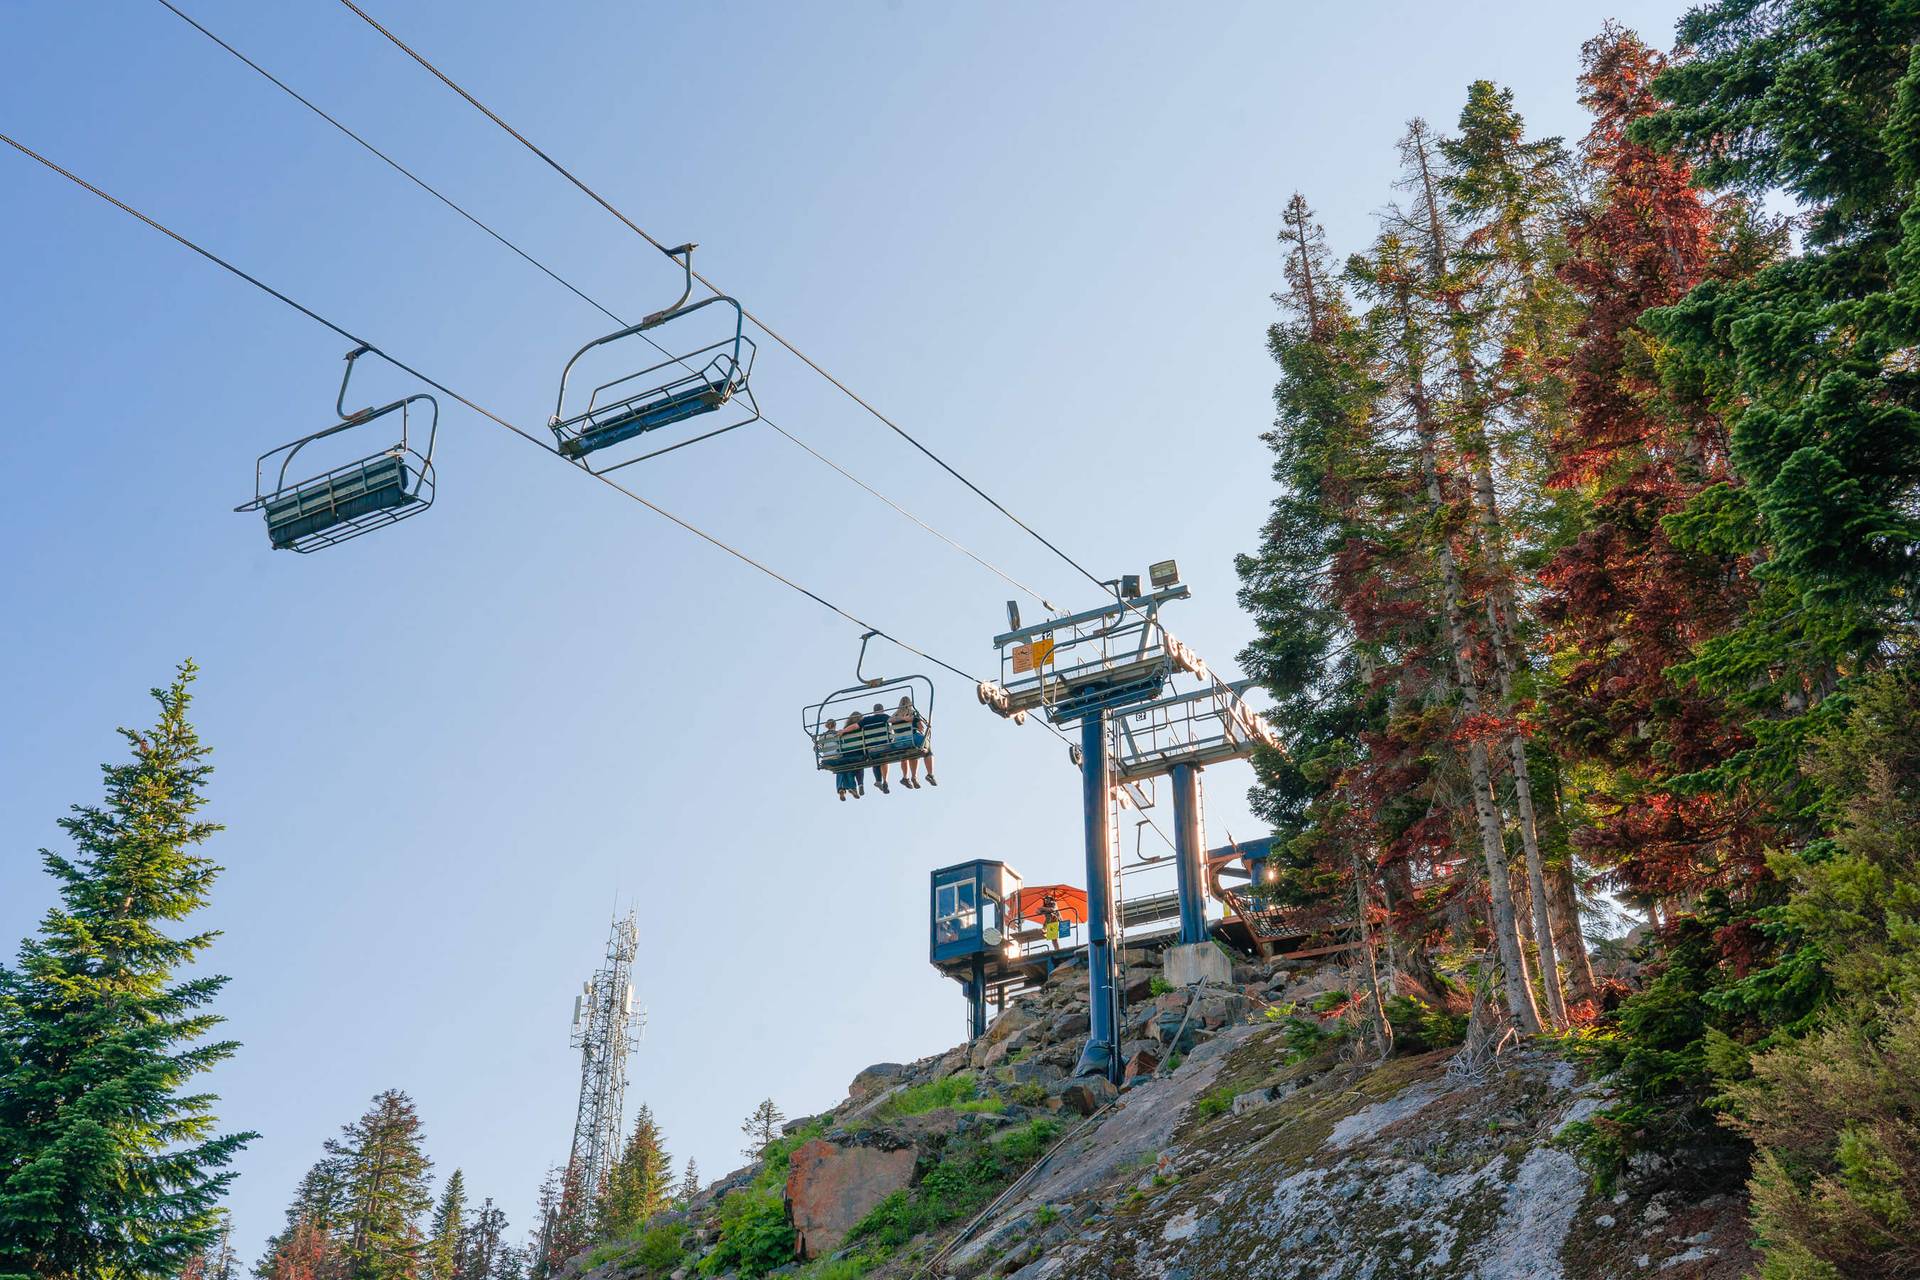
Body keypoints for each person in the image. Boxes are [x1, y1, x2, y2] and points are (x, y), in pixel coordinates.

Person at [891, 695, 926, 788]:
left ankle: (905, 777)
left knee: (904, 756)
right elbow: (921, 728)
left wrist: (901, 719)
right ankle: (914, 777)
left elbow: (889, 721)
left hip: (898, 742)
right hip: (911, 740)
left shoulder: (895, 715)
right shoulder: (913, 713)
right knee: (915, 753)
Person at [859, 702, 892, 793]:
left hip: (870, 749)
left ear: (873, 711)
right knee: (884, 759)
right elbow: (894, 721)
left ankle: (878, 781)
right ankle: (885, 780)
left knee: (875, 758)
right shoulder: (884, 717)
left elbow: (855, 726)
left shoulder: (866, 720)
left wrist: (844, 730)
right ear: (882, 710)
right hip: (884, 747)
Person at [836, 714, 868, 798]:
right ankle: (860, 784)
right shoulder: (861, 728)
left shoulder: (844, 730)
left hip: (846, 754)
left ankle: (847, 788)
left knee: (846, 768)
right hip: (858, 754)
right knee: (860, 765)